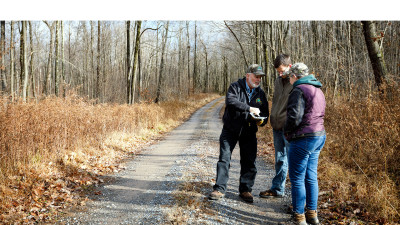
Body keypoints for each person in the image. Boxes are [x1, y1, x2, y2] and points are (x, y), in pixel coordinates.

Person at [209, 64, 269, 203]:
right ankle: (219, 188)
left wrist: (261, 121)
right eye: (256, 76)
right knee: (224, 159)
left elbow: (265, 113)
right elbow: (231, 101)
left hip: (249, 131)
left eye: (260, 77)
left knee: (249, 161)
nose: (258, 79)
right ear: (248, 75)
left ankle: (245, 190)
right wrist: (249, 109)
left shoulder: (260, 93)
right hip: (231, 129)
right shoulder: (235, 87)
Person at [284, 63, 326, 225]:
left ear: (295, 76)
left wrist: (287, 132)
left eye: (290, 77)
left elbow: (294, 117)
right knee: (311, 177)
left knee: (297, 178)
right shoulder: (318, 90)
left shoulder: (298, 90)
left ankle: (299, 216)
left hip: (303, 138)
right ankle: (312, 215)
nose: (289, 80)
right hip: (319, 136)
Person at [260, 54, 292, 198]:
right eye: (278, 71)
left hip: (290, 127)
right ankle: (277, 189)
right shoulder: (278, 81)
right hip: (277, 125)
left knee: (294, 162)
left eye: (282, 70)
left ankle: (299, 201)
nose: (280, 74)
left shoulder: (296, 81)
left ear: (289, 67)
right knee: (279, 159)